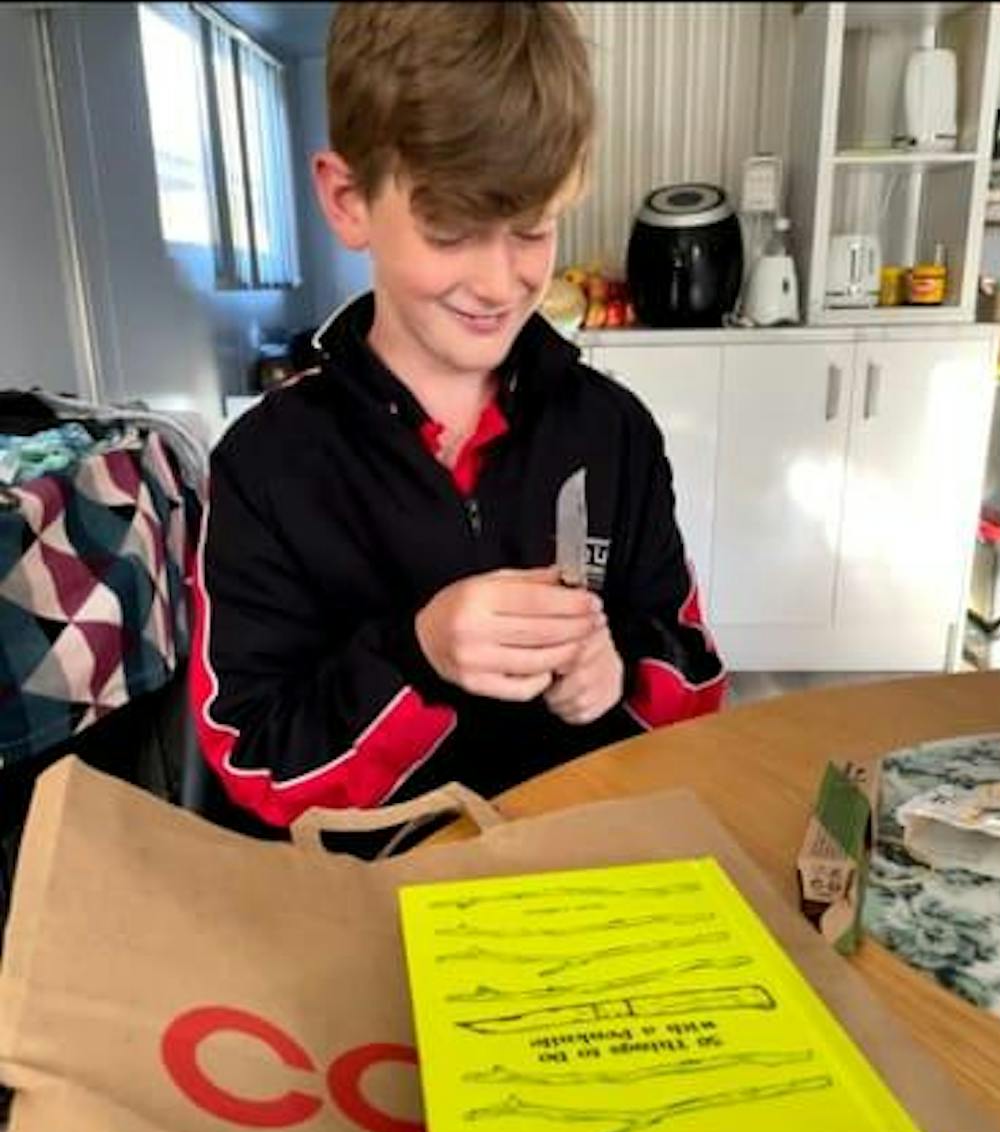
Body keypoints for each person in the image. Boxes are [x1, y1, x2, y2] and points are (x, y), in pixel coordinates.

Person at [190, 1, 726, 833]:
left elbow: (697, 675)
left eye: (533, 228)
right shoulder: (265, 467)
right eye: (449, 230)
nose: (501, 282)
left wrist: (619, 669)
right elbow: (253, 757)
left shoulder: (613, 431)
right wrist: (419, 655)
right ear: (348, 199)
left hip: (583, 862)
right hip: (376, 887)